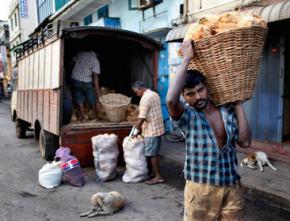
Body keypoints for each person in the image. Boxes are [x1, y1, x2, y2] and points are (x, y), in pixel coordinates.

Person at [166, 40, 251, 221]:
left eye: (200, 90)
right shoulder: (187, 116)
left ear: (206, 88)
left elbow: (245, 141)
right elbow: (170, 101)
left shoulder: (226, 110)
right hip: (200, 188)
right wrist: (187, 58)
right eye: (190, 94)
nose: (198, 97)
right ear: (184, 96)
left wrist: (239, 105)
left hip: (231, 186)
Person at [132, 81, 165, 185]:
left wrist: (135, 132)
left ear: (141, 89)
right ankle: (151, 172)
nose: (137, 94)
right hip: (158, 128)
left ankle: (158, 176)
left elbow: (141, 118)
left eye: (137, 92)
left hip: (151, 130)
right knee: (153, 152)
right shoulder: (154, 94)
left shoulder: (145, 99)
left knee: (152, 154)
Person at [70, 50, 101, 121]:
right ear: (97, 54)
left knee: (79, 97)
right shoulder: (96, 61)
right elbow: (95, 77)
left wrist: (70, 72)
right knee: (91, 97)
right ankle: (95, 116)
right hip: (87, 81)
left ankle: (83, 117)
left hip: (75, 78)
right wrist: (98, 92)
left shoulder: (80, 53)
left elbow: (71, 63)